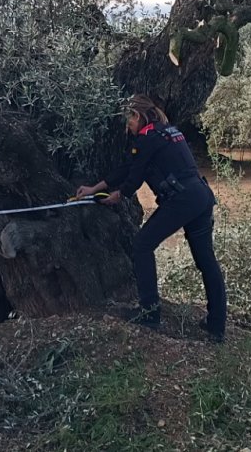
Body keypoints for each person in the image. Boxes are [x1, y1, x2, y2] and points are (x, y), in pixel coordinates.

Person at [75, 94, 228, 343]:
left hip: (181, 200)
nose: (128, 127)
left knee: (142, 245)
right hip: (201, 196)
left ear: (137, 115)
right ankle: (217, 325)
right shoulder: (167, 132)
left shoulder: (146, 139)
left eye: (129, 121)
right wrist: (95, 187)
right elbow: (129, 167)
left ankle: (149, 313)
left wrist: (118, 195)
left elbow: (133, 179)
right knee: (206, 261)